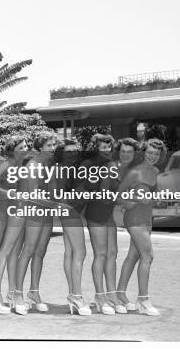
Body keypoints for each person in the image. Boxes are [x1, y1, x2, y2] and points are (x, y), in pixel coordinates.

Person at [115, 138, 167, 316]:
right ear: (144, 152)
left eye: (156, 154)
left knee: (133, 255)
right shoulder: (135, 173)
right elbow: (117, 196)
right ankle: (143, 300)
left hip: (147, 218)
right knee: (148, 256)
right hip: (134, 218)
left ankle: (120, 293)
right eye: (150, 152)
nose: (153, 156)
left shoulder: (155, 171)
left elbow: (154, 193)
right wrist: (131, 201)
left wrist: (158, 198)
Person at [13, 131, 56, 315]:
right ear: (40, 147)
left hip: (46, 212)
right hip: (33, 211)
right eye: (49, 145)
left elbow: (52, 191)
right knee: (28, 250)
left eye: (54, 145)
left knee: (40, 252)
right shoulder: (32, 166)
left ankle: (34, 292)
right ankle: (17, 294)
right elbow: (33, 196)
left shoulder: (49, 165)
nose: (53, 149)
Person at [0, 136, 30, 313]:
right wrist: (11, 194)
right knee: (5, 251)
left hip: (19, 211)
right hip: (6, 209)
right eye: (21, 147)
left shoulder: (23, 164)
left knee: (15, 251)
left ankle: (13, 293)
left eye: (26, 145)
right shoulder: (6, 163)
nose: (25, 148)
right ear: (13, 149)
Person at [101, 137, 140, 313]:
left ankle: (121, 292)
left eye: (130, 151)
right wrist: (122, 201)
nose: (126, 154)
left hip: (134, 215)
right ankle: (110, 294)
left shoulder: (136, 170)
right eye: (123, 151)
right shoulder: (111, 167)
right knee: (110, 253)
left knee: (135, 253)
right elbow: (104, 192)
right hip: (106, 213)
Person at [54, 139, 92, 316]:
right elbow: (60, 194)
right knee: (80, 252)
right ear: (62, 153)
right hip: (69, 211)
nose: (73, 154)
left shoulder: (72, 169)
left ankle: (72, 295)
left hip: (72, 211)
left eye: (75, 151)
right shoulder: (62, 170)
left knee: (70, 252)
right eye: (68, 151)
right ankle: (77, 296)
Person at [81, 133, 116, 315]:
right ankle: (100, 296)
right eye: (103, 147)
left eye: (109, 147)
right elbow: (90, 191)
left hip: (109, 213)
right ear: (96, 149)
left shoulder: (111, 164)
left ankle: (112, 295)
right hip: (96, 212)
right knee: (100, 254)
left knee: (112, 253)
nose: (107, 150)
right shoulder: (89, 165)